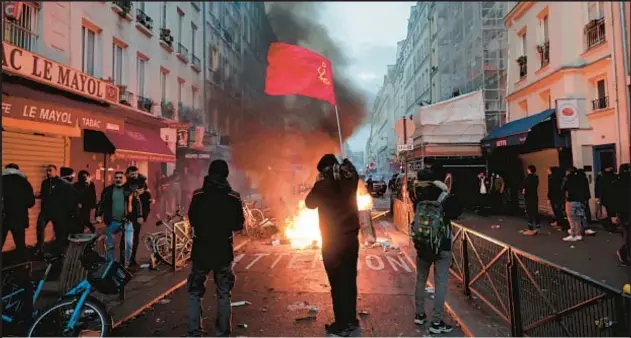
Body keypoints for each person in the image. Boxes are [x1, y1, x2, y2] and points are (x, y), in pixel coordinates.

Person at [187, 160, 245, 337]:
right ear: (226, 174)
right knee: (223, 293)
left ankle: (194, 331)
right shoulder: (233, 197)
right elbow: (238, 225)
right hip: (222, 251)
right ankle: (222, 332)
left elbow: (192, 219)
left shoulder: (198, 195)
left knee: (195, 293)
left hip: (201, 251)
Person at [305, 154, 360, 337]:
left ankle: (341, 324)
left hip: (332, 242)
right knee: (350, 280)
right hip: (351, 241)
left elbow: (309, 204)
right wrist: (346, 162)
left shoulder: (322, 186)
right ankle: (351, 320)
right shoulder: (350, 182)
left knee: (337, 283)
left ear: (323, 171)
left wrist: (320, 182)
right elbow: (355, 174)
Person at [410, 168, 455, 334]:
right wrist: (446, 191)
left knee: (421, 279)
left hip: (422, 242)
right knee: (440, 282)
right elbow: (455, 212)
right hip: (441, 244)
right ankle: (437, 322)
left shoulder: (415, 193)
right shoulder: (441, 193)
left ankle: (420, 314)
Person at [96, 171, 142, 267]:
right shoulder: (108, 190)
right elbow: (101, 203)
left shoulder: (130, 190)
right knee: (110, 245)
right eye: (116, 177)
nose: (118, 179)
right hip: (112, 221)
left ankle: (126, 265)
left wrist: (139, 216)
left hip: (127, 221)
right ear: (113, 179)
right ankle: (111, 264)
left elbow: (137, 203)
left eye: (121, 177)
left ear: (124, 179)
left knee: (128, 244)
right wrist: (98, 214)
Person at [2, 164, 35, 261]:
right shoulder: (24, 182)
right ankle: (22, 266)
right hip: (19, 218)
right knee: (20, 244)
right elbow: (31, 203)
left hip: (3, 218)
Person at [129, 176, 153, 267]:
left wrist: (143, 217)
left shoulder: (145, 195)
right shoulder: (133, 194)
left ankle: (131, 258)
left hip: (136, 220)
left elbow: (147, 208)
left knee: (133, 239)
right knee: (131, 239)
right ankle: (129, 259)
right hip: (132, 219)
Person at [563, 167, 588, 241]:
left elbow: (563, 188)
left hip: (571, 200)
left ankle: (573, 234)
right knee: (578, 218)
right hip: (580, 200)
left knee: (571, 218)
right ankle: (578, 234)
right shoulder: (580, 178)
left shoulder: (568, 178)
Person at [614, 164, 630, 265]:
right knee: (628, 236)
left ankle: (623, 253)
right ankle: (623, 253)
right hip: (625, 214)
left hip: (624, 213)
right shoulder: (619, 183)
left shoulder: (618, 182)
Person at [595, 166, 618, 232]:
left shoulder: (601, 176)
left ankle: (611, 226)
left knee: (610, 212)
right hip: (607, 197)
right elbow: (597, 187)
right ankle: (611, 226)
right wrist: (597, 197)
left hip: (608, 197)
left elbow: (597, 187)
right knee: (608, 212)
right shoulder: (613, 176)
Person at [521, 165, 540, 236]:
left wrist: (523, 190)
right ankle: (537, 227)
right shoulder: (536, 178)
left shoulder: (527, 178)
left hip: (528, 197)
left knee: (529, 212)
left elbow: (524, 186)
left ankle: (530, 229)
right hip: (534, 196)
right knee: (535, 211)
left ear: (529, 170)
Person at [547, 167, 567, 231]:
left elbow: (550, 188)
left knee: (557, 210)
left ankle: (561, 224)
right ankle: (559, 222)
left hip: (554, 196)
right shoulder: (560, 178)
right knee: (559, 210)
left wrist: (549, 197)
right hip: (560, 196)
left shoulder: (552, 178)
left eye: (548, 170)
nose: (547, 171)